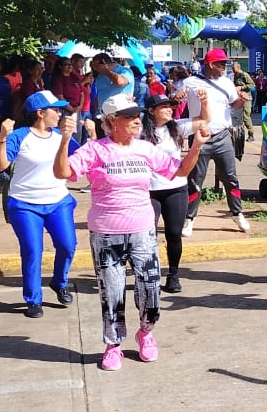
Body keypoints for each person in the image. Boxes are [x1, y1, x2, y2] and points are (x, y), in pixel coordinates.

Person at [54, 93, 208, 371]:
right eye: (130, 117)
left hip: (142, 231)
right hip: (105, 233)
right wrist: (65, 140)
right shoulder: (95, 150)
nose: (137, 121)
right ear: (112, 122)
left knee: (150, 290)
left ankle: (146, 333)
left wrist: (197, 145)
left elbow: (179, 171)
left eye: (138, 116)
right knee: (112, 292)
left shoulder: (145, 148)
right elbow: (63, 172)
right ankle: (113, 345)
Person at [0, 91, 82, 318]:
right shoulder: (21, 135)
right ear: (40, 113)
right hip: (25, 204)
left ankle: (60, 282)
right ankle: (33, 299)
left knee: (68, 245)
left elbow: (82, 157)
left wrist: (86, 134)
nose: (60, 114)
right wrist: (3, 136)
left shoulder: (60, 135)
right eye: (56, 110)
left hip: (58, 201)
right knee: (33, 250)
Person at [141, 92, 208, 294]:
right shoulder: (140, 131)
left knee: (173, 234)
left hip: (176, 188)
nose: (170, 109)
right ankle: (148, 274)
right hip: (149, 191)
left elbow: (204, 121)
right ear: (151, 111)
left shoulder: (177, 127)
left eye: (170, 105)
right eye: (164, 106)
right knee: (147, 235)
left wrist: (204, 103)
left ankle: (173, 274)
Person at [181, 49, 253, 232]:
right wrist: (176, 97)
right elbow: (177, 101)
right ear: (211, 64)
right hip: (199, 137)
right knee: (195, 179)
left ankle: (237, 214)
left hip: (222, 136)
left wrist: (242, 101)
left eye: (225, 63)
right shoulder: (190, 82)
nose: (224, 66)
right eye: (221, 63)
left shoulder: (227, 82)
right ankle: (189, 218)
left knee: (230, 178)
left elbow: (233, 104)